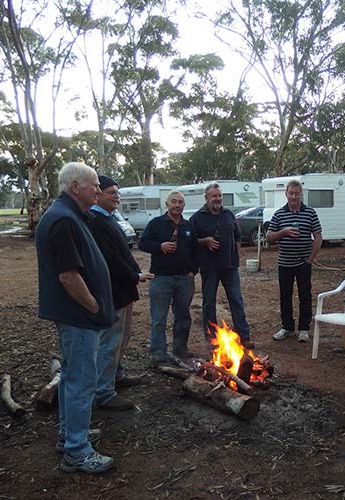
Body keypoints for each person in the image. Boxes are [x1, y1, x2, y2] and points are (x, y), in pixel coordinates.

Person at [35, 162, 117, 474]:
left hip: (78, 316)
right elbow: (68, 276)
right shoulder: (63, 220)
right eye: (94, 185)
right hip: (79, 316)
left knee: (71, 376)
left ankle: (69, 435)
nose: (98, 190)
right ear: (74, 187)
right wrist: (94, 306)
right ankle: (77, 452)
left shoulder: (70, 215)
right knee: (82, 381)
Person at [88, 175, 153, 411]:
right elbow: (109, 259)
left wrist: (136, 272)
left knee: (122, 338)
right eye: (111, 192)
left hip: (125, 290)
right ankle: (103, 392)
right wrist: (134, 275)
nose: (117, 196)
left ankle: (116, 375)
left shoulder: (109, 218)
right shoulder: (95, 221)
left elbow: (123, 253)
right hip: (112, 292)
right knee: (110, 342)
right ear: (98, 194)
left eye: (118, 192)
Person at [190, 182, 253, 348]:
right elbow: (189, 242)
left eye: (219, 196)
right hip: (209, 268)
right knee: (209, 303)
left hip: (230, 267)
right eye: (214, 196)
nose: (217, 199)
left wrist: (236, 256)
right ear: (206, 198)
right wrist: (205, 241)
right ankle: (212, 339)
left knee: (236, 301)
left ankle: (244, 336)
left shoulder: (228, 214)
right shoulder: (197, 218)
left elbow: (238, 237)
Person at [139, 191, 198, 364]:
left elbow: (195, 250)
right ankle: (158, 352)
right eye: (174, 201)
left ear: (184, 205)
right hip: (161, 278)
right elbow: (142, 243)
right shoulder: (156, 223)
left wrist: (193, 271)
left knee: (183, 315)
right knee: (159, 317)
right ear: (167, 204)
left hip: (184, 279)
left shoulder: (188, 226)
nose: (177, 205)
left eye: (180, 202)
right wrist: (160, 246)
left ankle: (180, 349)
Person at [266, 179, 322, 342]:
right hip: (285, 263)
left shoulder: (310, 212)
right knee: (285, 296)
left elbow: (318, 236)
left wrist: (311, 259)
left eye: (297, 193)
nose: (294, 196)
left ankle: (304, 329)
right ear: (286, 194)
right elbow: (269, 237)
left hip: (304, 263)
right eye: (291, 193)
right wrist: (283, 232)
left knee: (305, 295)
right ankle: (287, 327)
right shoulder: (279, 214)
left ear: (301, 194)